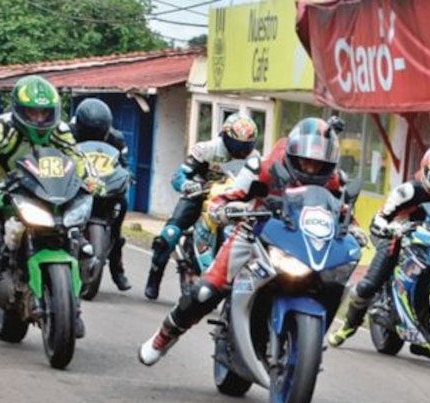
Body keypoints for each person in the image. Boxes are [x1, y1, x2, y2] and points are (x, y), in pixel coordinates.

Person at [137, 116, 363, 366]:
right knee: (205, 291)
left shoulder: (332, 180)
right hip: (256, 231)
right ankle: (163, 338)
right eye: (305, 162)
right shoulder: (264, 166)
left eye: (319, 165)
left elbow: (342, 211)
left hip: (302, 242)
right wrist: (222, 209)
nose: (311, 169)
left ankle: (310, 341)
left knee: (334, 282)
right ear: (292, 154)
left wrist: (354, 228)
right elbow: (227, 196)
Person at [0, 75, 103, 310]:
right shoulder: (0, 131)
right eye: (32, 112)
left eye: (44, 113)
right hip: (7, 190)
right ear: (18, 110)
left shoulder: (60, 130)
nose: (38, 119)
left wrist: (92, 179)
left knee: (77, 230)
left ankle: (72, 299)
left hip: (51, 191)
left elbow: (78, 159)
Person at [326, 146, 430, 348]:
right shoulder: (408, 191)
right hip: (397, 237)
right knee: (370, 284)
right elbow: (380, 217)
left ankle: (427, 327)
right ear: (427, 175)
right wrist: (389, 228)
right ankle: (348, 325)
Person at [143, 113, 259, 300]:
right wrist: (189, 185)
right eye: (238, 144)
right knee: (169, 234)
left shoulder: (255, 159)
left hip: (233, 203)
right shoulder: (206, 149)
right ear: (226, 137)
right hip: (199, 196)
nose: (242, 150)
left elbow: (262, 182)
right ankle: (154, 276)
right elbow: (178, 176)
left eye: (247, 145)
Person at [70, 97, 132, 291]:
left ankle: (117, 269)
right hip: (77, 183)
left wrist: (127, 175)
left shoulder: (117, 139)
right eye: (90, 131)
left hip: (104, 186)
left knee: (122, 207)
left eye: (98, 131)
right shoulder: (67, 134)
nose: (95, 134)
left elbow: (122, 163)